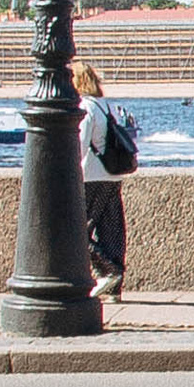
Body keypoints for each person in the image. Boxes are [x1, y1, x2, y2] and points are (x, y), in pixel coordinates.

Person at [71, 58, 126, 300]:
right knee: (111, 229)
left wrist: (71, 173)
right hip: (112, 174)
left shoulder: (86, 108)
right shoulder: (106, 106)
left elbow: (81, 145)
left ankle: (108, 271)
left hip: (90, 175)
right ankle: (114, 288)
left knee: (76, 229)